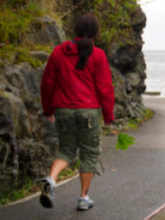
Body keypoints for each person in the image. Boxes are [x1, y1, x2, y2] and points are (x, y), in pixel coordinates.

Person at [38, 13, 115, 211]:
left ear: (75, 30)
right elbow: (104, 87)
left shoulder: (58, 52)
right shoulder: (98, 55)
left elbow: (47, 83)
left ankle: (51, 180)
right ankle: (83, 197)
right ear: (96, 33)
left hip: (63, 110)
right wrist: (108, 116)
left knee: (66, 150)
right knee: (89, 153)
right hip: (89, 111)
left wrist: (48, 109)